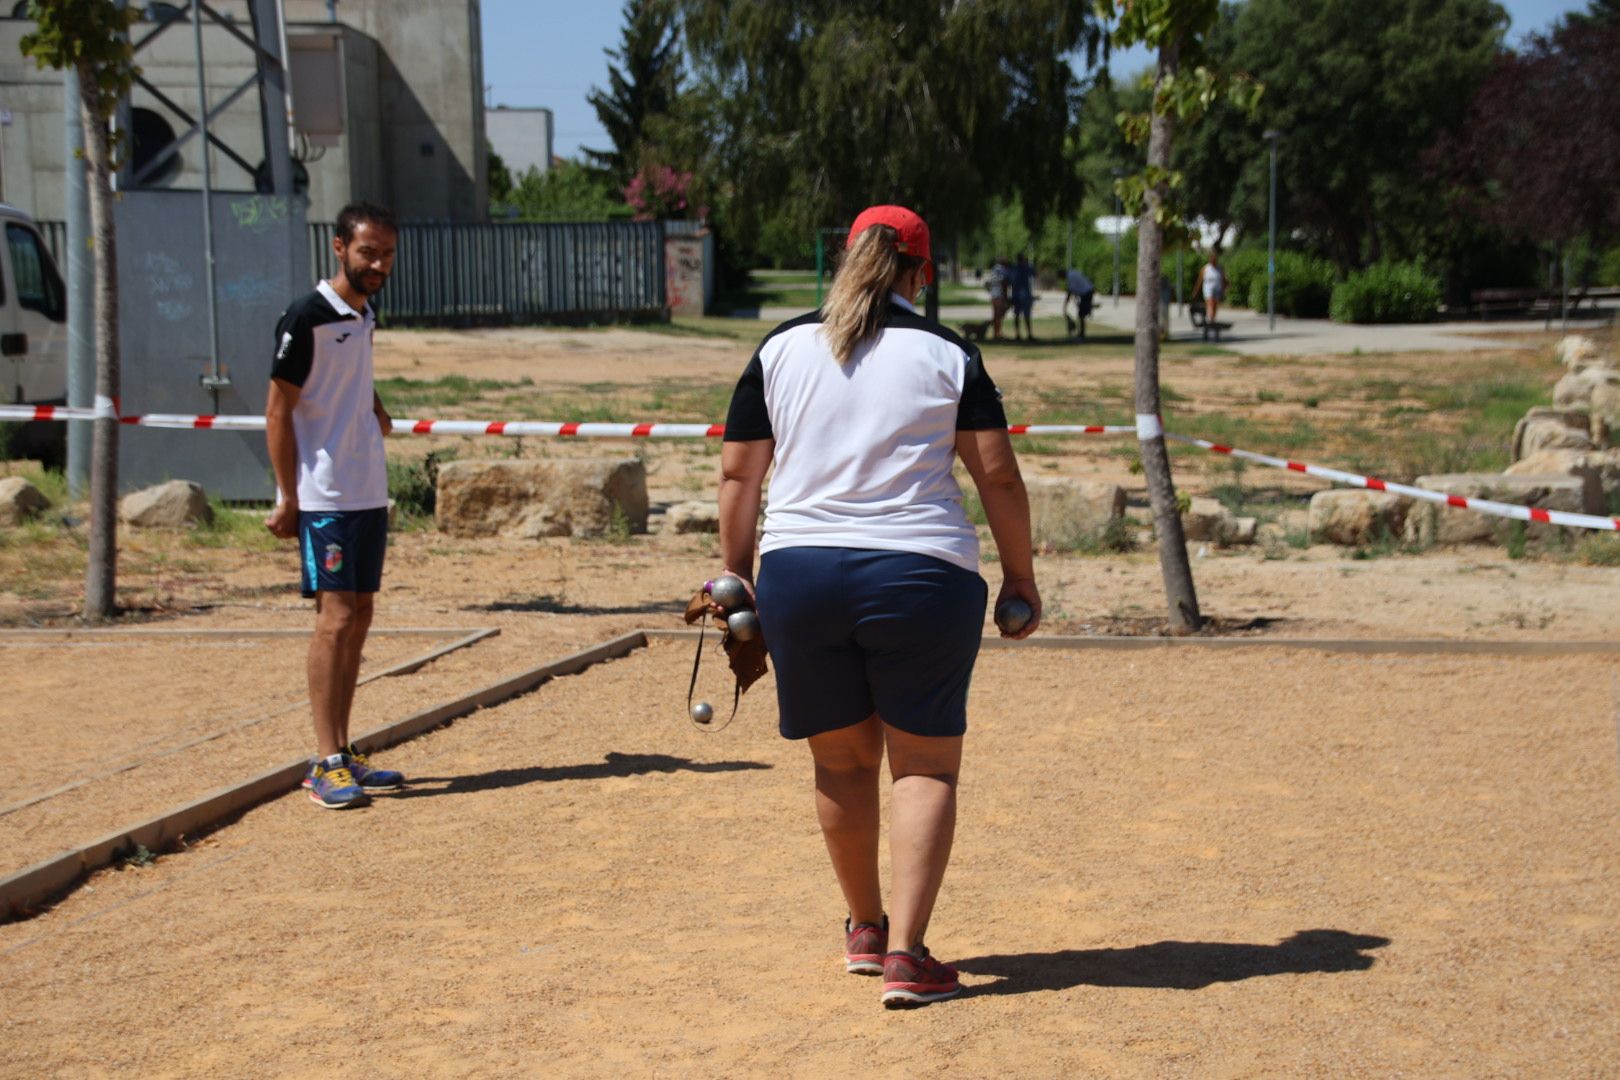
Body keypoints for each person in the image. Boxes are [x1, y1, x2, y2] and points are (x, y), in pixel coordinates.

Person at [717, 204, 1041, 1007]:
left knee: (840, 761)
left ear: (846, 259)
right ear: (920, 272)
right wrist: (1021, 577)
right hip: (920, 577)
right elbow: (997, 476)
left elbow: (738, 479)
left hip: (800, 574)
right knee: (923, 765)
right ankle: (907, 956)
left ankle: (864, 926)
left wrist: (737, 581)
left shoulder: (780, 347)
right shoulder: (948, 353)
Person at [265, 202, 405, 810]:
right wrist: (287, 494)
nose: (377, 264)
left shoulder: (363, 313)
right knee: (336, 619)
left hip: (367, 487)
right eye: (367, 251)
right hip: (326, 494)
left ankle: (345, 752)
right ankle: (323, 761)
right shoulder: (308, 314)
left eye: (387, 254)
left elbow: (344, 373)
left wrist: (373, 407)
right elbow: (278, 407)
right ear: (339, 247)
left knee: (361, 616)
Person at [1009, 252, 1036, 341]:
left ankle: (1017, 334)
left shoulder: (1014, 268)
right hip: (1025, 294)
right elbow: (1034, 273)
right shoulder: (1026, 267)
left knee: (1017, 315)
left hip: (1016, 294)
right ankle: (1029, 334)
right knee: (1027, 316)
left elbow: (1011, 281)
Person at [1194, 247, 1226, 323]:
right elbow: (1199, 281)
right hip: (1208, 289)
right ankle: (1210, 318)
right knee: (1210, 303)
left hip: (1217, 289)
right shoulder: (1205, 268)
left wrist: (1224, 289)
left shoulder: (1220, 268)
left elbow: (1223, 279)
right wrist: (1195, 291)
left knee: (1215, 305)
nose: (1213, 260)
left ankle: (1212, 319)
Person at [1063, 267, 1096, 339]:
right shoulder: (1073, 272)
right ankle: (1081, 333)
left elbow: (1069, 293)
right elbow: (1077, 287)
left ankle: (1082, 334)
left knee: (1081, 315)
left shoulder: (1070, 278)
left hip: (1086, 293)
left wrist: (1065, 306)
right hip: (1088, 290)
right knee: (1081, 314)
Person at [985, 256, 1011, 339]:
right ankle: (998, 333)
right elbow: (1004, 283)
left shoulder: (994, 269)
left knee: (996, 314)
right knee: (999, 315)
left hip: (994, 295)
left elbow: (988, 283)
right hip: (1000, 295)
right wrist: (1005, 296)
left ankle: (996, 332)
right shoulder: (1002, 270)